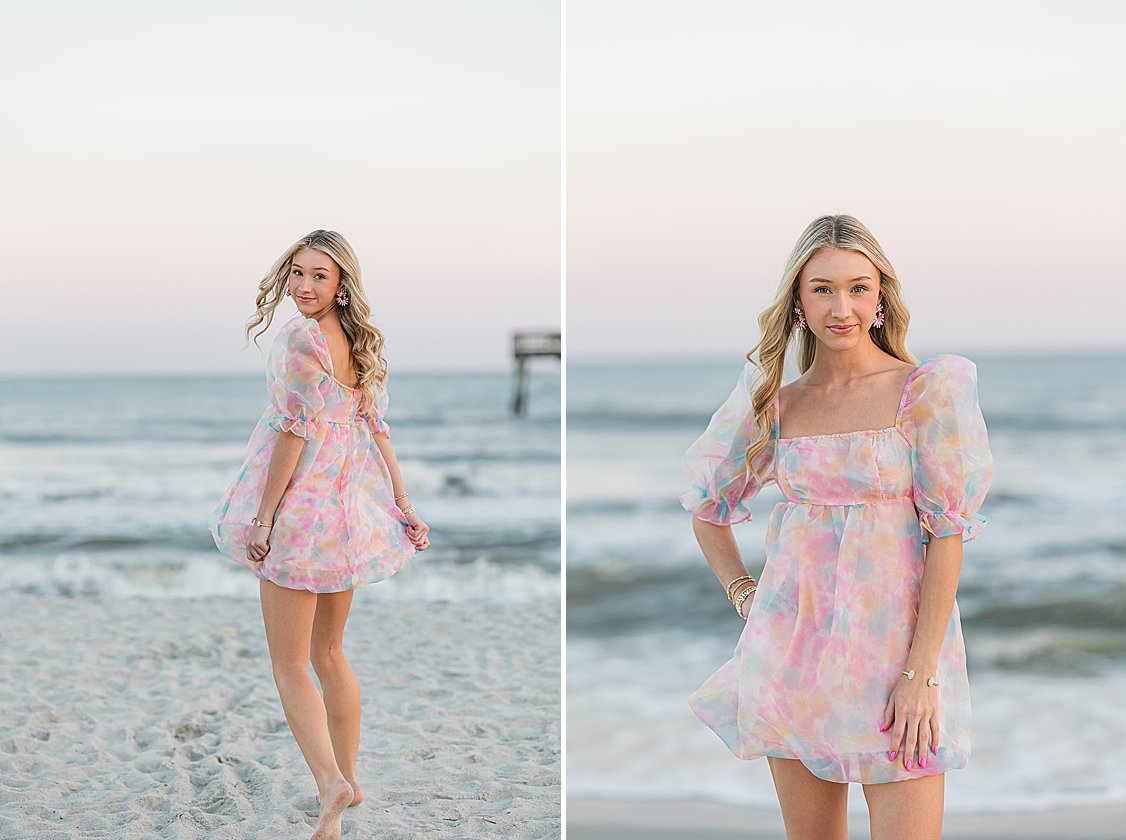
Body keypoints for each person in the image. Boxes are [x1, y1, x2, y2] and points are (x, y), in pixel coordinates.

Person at [680, 214, 992, 840]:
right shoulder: (777, 403)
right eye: (822, 288)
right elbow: (707, 507)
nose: (841, 306)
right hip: (792, 657)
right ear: (797, 300)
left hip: (900, 663)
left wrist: (920, 674)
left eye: (858, 287)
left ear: (882, 297)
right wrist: (747, 596)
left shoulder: (926, 390)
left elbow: (947, 532)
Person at [209, 229, 430, 840]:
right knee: (330, 653)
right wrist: (403, 503)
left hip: (302, 514)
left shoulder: (300, 340)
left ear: (341, 286)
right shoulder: (358, 343)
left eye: (319, 277)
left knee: (289, 664)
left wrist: (263, 518)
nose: (305, 287)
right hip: (346, 516)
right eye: (298, 274)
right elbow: (377, 429)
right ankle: (352, 781)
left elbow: (293, 433)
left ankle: (329, 781)